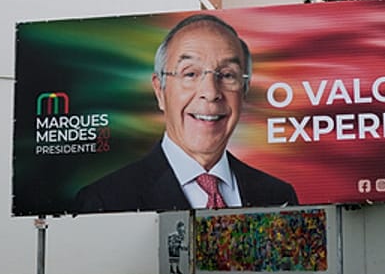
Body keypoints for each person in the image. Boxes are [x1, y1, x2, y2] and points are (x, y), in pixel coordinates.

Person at [74, 13, 297, 212]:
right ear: (160, 91)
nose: (210, 93)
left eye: (228, 75)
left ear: (244, 91)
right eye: (190, 74)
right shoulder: (105, 201)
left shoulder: (278, 198)